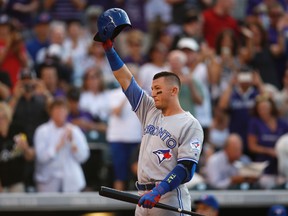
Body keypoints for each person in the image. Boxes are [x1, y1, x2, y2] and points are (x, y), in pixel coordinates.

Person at [100, 36, 204, 215]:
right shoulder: (149, 109)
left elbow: (186, 167)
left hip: (168, 197)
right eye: (152, 89)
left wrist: (159, 191)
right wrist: (109, 50)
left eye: (158, 90)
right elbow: (125, 79)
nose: (153, 93)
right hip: (143, 196)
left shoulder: (190, 124)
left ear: (174, 91)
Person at [34, 98, 90, 192]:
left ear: (67, 112)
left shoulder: (74, 130)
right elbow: (41, 158)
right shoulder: (42, 131)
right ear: (51, 112)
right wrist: (58, 146)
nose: (60, 112)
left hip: (71, 181)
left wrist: (73, 142)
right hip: (48, 181)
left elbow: (83, 157)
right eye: (57, 109)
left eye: (63, 109)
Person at [0, 102, 34, 192]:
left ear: (8, 118)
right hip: (2, 182)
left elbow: (30, 157)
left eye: (3, 118)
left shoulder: (18, 130)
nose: (1, 121)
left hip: (18, 180)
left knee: (18, 203)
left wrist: (26, 148)